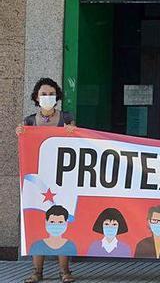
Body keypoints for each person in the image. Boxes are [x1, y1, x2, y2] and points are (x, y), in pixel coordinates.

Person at [18, 78, 76, 283]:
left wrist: (73, 132)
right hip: (37, 182)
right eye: (43, 94)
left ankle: (64, 271)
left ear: (57, 96)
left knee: (61, 224)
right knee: (37, 223)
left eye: (51, 94)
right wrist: (20, 134)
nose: (47, 97)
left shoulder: (66, 118)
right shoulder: (29, 121)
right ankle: (37, 272)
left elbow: (77, 144)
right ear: (36, 97)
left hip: (62, 181)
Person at [26, 205, 77, 283]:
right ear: (46, 222)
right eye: (52, 222)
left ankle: (64, 271)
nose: (56, 225)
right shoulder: (37, 244)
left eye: (60, 222)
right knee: (36, 241)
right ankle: (37, 272)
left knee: (65, 245)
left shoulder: (69, 244)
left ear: (66, 223)